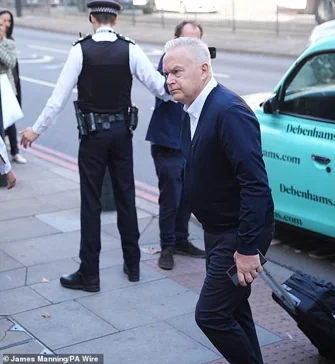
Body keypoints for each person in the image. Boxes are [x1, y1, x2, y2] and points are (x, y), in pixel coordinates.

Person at [20, 0, 174, 293]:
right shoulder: (130, 48)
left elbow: (58, 97)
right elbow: (160, 87)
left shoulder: (80, 49)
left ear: (91, 18)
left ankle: (89, 273)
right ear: (115, 21)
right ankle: (133, 265)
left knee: (90, 202)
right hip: (121, 134)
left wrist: (35, 130)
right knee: (126, 196)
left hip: (91, 136)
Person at [163, 37, 275, 364]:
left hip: (237, 235)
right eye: (167, 73)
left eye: (177, 72)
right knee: (234, 308)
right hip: (218, 229)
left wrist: (248, 249)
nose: (170, 80)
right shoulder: (194, 108)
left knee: (210, 314)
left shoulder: (229, 111)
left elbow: (255, 185)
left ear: (203, 69)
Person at [146, 21, 205, 271]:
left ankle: (181, 240)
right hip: (167, 141)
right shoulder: (169, 64)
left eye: (197, 41)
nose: (192, 46)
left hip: (190, 142)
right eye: (186, 40)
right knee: (171, 197)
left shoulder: (200, 66)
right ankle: (167, 246)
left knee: (188, 196)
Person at [0, 10, 26, 164]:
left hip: (6, 85)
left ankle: (14, 152)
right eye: (2, 22)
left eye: (7, 22)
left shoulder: (9, 43)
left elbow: (10, 63)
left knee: (9, 120)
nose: (4, 26)